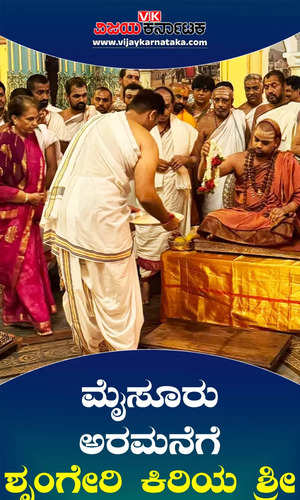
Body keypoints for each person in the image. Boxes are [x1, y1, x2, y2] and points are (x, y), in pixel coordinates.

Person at [41, 89, 180, 353]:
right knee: (117, 287)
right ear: (152, 114)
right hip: (103, 221)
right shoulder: (146, 140)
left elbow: (94, 173)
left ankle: (92, 349)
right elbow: (147, 195)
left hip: (69, 214)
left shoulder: (95, 122)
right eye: (154, 121)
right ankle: (120, 349)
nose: (153, 127)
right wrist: (168, 221)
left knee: (83, 285)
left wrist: (120, 203)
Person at [135, 87, 200, 304]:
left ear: (173, 106)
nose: (164, 110)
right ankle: (145, 283)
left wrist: (186, 159)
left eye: (168, 105)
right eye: (160, 105)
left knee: (174, 233)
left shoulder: (187, 130)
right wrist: (152, 162)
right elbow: (130, 159)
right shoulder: (140, 130)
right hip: (149, 188)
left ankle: (171, 287)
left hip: (176, 189)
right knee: (147, 232)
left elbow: (196, 158)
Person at [0, 96, 56, 335]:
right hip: (9, 214)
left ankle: (15, 313)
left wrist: (36, 201)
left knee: (30, 263)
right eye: (29, 119)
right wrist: (26, 198)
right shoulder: (4, 141)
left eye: (37, 118)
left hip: (30, 213)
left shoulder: (32, 136)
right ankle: (39, 318)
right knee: (22, 267)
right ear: (14, 118)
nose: (35, 123)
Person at [199, 119, 300, 247]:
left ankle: (230, 237)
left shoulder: (287, 161)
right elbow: (205, 177)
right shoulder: (238, 159)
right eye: (256, 139)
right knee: (211, 219)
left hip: (270, 219)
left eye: (265, 143)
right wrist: (204, 158)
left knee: (284, 227)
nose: (258, 145)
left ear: (277, 143)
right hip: (244, 216)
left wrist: (283, 210)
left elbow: (298, 198)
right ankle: (250, 238)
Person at [196, 85, 249, 217]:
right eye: (217, 100)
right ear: (212, 101)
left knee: (236, 219)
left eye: (225, 100)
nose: (220, 104)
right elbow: (197, 156)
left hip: (237, 179)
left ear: (232, 101)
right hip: (213, 181)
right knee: (213, 219)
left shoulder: (240, 117)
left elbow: (248, 147)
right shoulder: (204, 122)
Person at [253, 70, 300, 150]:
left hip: (290, 159)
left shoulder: (296, 107)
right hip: (265, 160)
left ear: (284, 86)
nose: (270, 91)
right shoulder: (260, 110)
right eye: (266, 87)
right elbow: (252, 143)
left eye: (274, 86)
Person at [27, 74, 68, 153]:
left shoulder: (56, 117)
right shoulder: (23, 118)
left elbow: (64, 150)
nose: (45, 97)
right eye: (40, 92)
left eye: (47, 92)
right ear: (29, 94)